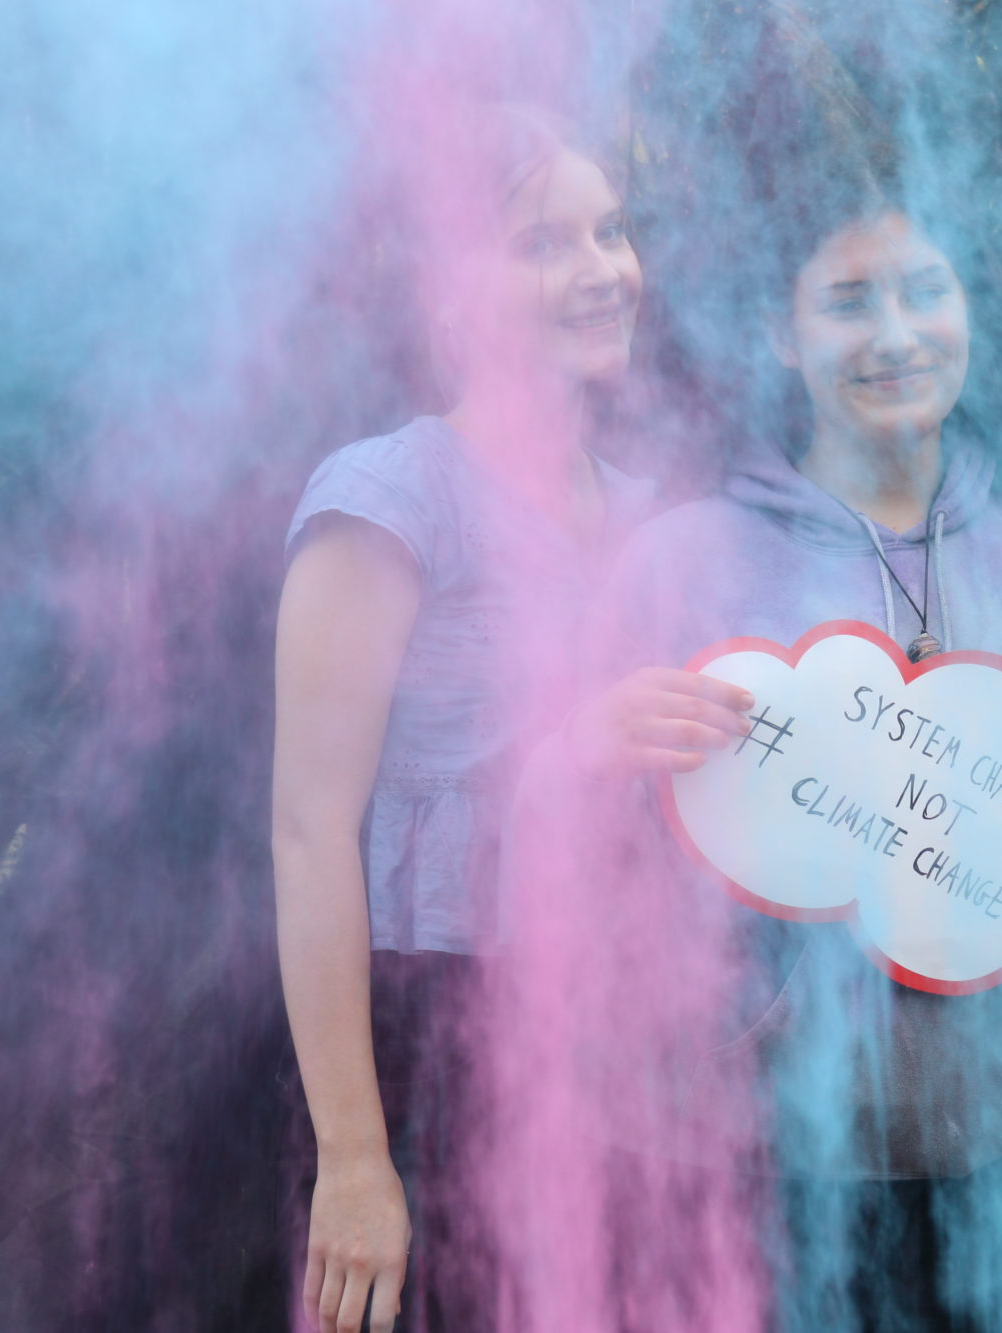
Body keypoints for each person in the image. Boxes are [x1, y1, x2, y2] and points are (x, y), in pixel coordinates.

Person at [508, 184, 1002, 1330]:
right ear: (779, 335)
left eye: (923, 292)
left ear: (968, 310)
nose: (894, 336)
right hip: (773, 1169)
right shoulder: (686, 562)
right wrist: (578, 756)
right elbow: (568, 881)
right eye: (847, 302)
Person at [271, 109, 673, 1333]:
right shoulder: (390, 497)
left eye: (610, 230)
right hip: (433, 1048)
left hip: (624, 1052)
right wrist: (355, 1157)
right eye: (540, 242)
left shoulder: (648, 510)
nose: (600, 269)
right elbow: (307, 832)